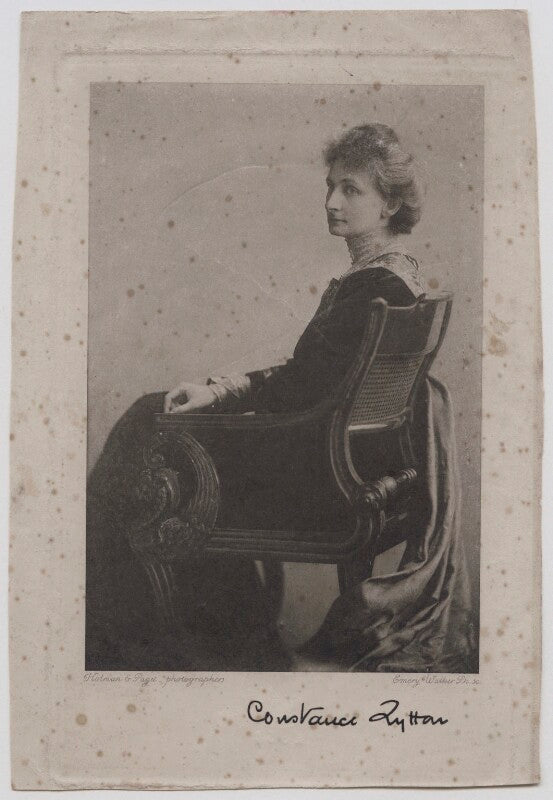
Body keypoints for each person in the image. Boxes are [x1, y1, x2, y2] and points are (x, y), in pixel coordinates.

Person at [86, 123, 476, 673]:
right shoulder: (397, 281)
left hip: (315, 473)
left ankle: (133, 631)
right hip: (348, 459)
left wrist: (219, 396)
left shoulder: (374, 290)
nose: (332, 201)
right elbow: (308, 379)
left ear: (389, 205)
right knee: (158, 421)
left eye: (351, 190)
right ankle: (212, 630)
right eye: (331, 185)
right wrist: (220, 390)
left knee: (150, 424)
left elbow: (299, 392)